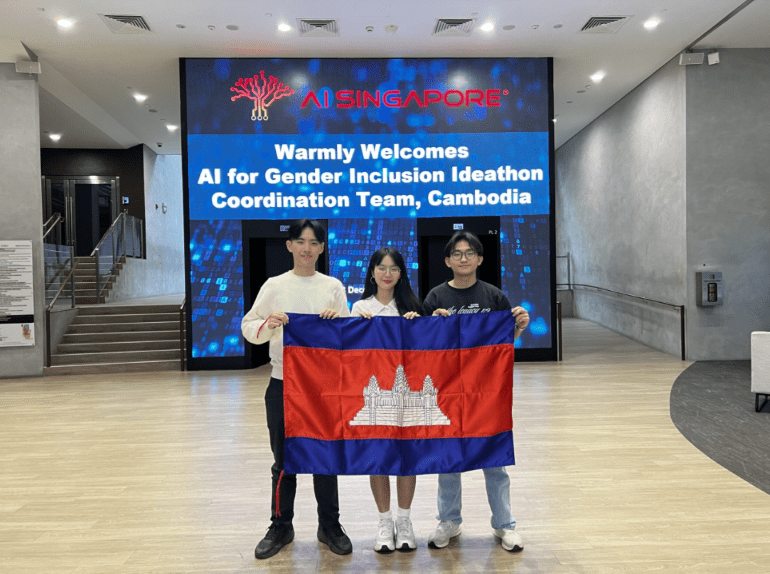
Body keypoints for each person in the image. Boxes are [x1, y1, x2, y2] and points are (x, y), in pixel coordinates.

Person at [241, 219, 352, 560]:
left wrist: (337, 323)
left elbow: (348, 339)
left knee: (325, 457)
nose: (307, 248)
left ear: (322, 248)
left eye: (314, 242)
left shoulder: (333, 286)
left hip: (323, 386)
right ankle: (280, 525)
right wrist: (268, 323)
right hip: (283, 383)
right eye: (301, 241)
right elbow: (249, 327)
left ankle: (329, 525)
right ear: (289, 245)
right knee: (284, 459)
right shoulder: (274, 285)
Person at [422, 230, 530, 553]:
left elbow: (505, 342)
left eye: (470, 253)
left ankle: (504, 524)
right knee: (448, 460)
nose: (464, 258)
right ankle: (449, 521)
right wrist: (431, 323)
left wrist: (519, 325)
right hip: (447, 392)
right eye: (457, 254)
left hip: (487, 394)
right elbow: (423, 346)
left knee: (494, 459)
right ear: (447, 261)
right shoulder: (435, 298)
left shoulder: (494, 297)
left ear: (480, 259)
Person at [351, 248, 422, 553]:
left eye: (393, 269)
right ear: (372, 272)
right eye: (382, 268)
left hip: (405, 397)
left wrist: (419, 324)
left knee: (406, 459)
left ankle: (404, 522)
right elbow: (348, 354)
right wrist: (356, 327)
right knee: (378, 458)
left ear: (401, 274)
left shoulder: (412, 307)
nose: (387, 274)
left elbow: (428, 354)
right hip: (374, 396)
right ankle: (384, 522)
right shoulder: (359, 308)